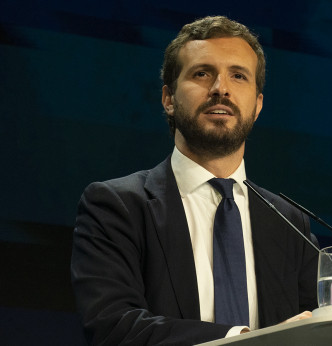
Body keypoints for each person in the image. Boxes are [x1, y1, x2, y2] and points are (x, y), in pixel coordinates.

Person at [70, 15, 318, 345]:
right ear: (168, 98)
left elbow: (324, 328)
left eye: (238, 76)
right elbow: (113, 325)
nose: (221, 89)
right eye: (202, 73)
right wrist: (246, 340)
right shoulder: (116, 206)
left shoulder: (291, 223)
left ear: (257, 105)